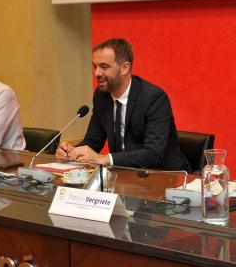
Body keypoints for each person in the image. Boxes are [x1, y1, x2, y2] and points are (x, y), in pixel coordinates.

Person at [56, 38, 190, 170]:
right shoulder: (101, 96)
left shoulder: (153, 98)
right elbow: (93, 142)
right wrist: (73, 152)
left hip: (166, 178)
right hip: (125, 177)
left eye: (104, 67)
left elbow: (153, 154)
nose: (96, 73)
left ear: (125, 68)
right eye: (95, 67)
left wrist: (104, 159)